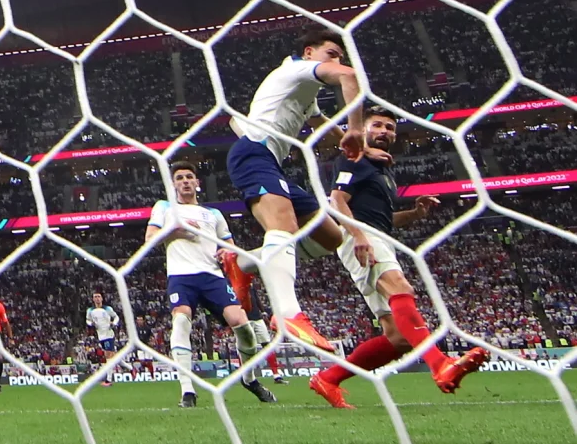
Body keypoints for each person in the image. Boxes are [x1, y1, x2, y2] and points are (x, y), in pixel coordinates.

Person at [310, 106, 489, 409]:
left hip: (376, 236)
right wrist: (360, 236)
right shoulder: (355, 159)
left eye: (389, 128)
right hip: (360, 238)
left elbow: (385, 220)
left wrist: (416, 214)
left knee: (398, 339)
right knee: (400, 289)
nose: (384, 132)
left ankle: (328, 378)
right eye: (377, 125)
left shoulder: (383, 172)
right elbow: (337, 200)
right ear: (363, 131)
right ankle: (440, 364)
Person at [225, 27, 375, 353]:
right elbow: (349, 76)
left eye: (338, 56)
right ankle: (289, 314)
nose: (336, 61)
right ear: (309, 52)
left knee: (332, 237)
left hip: (271, 163)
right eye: (330, 54)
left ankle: (244, 263)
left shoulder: (304, 91)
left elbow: (322, 124)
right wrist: (356, 130)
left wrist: (360, 148)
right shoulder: (296, 71)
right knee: (284, 227)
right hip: (253, 153)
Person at [146, 161, 277, 408]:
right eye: (180, 177)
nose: (185, 181)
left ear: (197, 183)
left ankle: (249, 379)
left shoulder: (213, 214)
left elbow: (229, 246)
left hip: (212, 276)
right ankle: (188, 391)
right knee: (181, 318)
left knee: (242, 324)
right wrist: (176, 230)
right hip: (181, 276)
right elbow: (150, 238)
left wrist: (225, 254)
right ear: (173, 184)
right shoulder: (165, 208)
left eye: (189, 177)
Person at [85, 292, 133, 386]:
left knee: (108, 356)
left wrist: (113, 323)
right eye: (95, 297)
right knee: (113, 357)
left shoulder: (107, 309)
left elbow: (116, 317)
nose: (97, 298)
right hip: (100, 335)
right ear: (93, 299)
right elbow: (88, 320)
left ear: (102, 299)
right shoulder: (90, 310)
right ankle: (130, 368)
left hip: (109, 334)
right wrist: (91, 324)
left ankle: (109, 380)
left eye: (99, 297)